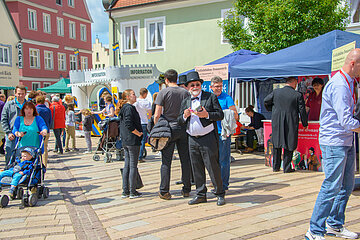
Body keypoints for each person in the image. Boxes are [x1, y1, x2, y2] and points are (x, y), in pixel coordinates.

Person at [305, 49, 360, 240]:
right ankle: (314, 230)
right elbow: (345, 120)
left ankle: (335, 224)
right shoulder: (339, 85)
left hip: (347, 139)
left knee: (347, 185)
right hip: (335, 141)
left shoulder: (350, 82)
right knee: (331, 186)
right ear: (353, 63)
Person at [178, 71, 225, 206]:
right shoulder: (185, 101)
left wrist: (207, 115)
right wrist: (184, 116)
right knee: (196, 168)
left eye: (197, 84)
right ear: (187, 87)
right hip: (192, 139)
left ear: (201, 85)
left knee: (213, 167)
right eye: (192, 85)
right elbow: (179, 120)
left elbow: (220, 114)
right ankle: (200, 194)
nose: (194, 87)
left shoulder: (210, 97)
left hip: (208, 138)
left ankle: (220, 193)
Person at [154, 69, 192, 200]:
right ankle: (186, 189)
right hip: (183, 128)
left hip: (168, 129)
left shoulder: (163, 92)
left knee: (166, 161)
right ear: (177, 78)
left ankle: (164, 191)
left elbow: (157, 114)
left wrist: (156, 126)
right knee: (185, 160)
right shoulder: (186, 92)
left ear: (166, 80)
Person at [264, 77, 308, 173]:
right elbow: (302, 110)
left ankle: (275, 167)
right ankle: (287, 167)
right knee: (289, 142)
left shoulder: (276, 92)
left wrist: (272, 110)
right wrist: (305, 123)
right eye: (296, 84)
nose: (296, 86)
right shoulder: (297, 95)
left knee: (277, 143)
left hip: (277, 121)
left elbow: (266, 101)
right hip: (291, 121)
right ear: (293, 83)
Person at [209, 76, 238, 192]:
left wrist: (226, 113)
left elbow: (235, 115)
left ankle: (224, 185)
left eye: (220, 86)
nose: (219, 88)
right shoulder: (209, 98)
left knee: (224, 160)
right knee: (212, 159)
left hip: (223, 134)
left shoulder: (227, 98)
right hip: (210, 133)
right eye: (216, 86)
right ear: (211, 87)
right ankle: (216, 181)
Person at [118, 89, 143, 199]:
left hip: (126, 140)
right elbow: (129, 124)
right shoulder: (128, 108)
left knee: (127, 165)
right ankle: (132, 191)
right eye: (133, 94)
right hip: (132, 140)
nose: (135, 96)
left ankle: (126, 190)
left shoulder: (125, 108)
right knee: (132, 165)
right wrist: (138, 133)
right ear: (127, 97)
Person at [1, 85, 27, 165]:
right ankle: (9, 174)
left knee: (24, 158)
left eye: (22, 94)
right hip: (12, 135)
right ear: (15, 94)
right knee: (10, 157)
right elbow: (4, 119)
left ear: (25, 94)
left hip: (25, 135)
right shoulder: (9, 105)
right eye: (19, 93)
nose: (21, 96)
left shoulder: (29, 105)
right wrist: (8, 132)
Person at [134, 88, 152, 163]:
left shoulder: (136, 102)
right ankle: (140, 156)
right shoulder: (147, 102)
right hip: (144, 122)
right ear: (145, 94)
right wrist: (148, 118)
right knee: (143, 140)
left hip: (136, 122)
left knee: (137, 140)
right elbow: (150, 113)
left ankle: (136, 155)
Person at [35, 95, 52, 167]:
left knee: (36, 147)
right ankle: (44, 164)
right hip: (46, 130)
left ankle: (36, 163)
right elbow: (50, 120)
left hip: (37, 131)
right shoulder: (48, 110)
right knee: (44, 148)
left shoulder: (35, 109)